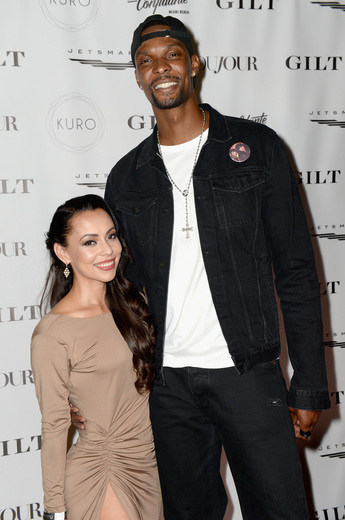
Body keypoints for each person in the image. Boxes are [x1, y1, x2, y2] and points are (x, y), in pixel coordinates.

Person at [73, 15, 330, 520]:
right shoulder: (127, 177)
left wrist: (308, 383)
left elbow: (297, 272)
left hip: (249, 374)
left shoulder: (257, 150)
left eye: (171, 55)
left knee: (282, 511)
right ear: (137, 76)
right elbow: (119, 295)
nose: (160, 69)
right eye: (146, 61)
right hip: (167, 386)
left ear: (193, 63)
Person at [31, 194, 161, 520]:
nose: (107, 250)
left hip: (152, 464)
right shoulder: (54, 332)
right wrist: (55, 508)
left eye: (111, 236)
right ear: (63, 253)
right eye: (90, 241)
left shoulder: (136, 306)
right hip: (103, 471)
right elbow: (55, 424)